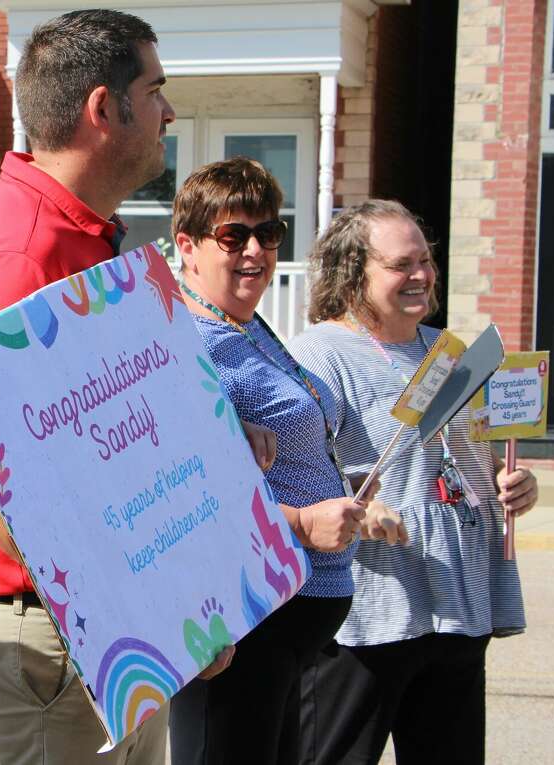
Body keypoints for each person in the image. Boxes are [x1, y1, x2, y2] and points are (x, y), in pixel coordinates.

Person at [0, 9, 246, 763]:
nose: (169, 111)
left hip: (78, 630)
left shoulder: (76, 232)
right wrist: (136, 607)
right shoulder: (20, 251)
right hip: (49, 638)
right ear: (105, 108)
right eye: (156, 89)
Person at [288, 200, 538, 764]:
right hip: (369, 616)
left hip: (457, 603)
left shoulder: (449, 354)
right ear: (354, 273)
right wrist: (353, 504)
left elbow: (474, 462)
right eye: (402, 265)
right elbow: (295, 467)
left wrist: (511, 481)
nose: (421, 276)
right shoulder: (318, 356)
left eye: (425, 261)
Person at [167, 157, 373, 765]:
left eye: (270, 232)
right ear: (188, 246)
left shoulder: (246, 325)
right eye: (234, 236)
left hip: (287, 623)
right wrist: (303, 523)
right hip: (239, 619)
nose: (255, 249)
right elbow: (181, 498)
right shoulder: (187, 343)